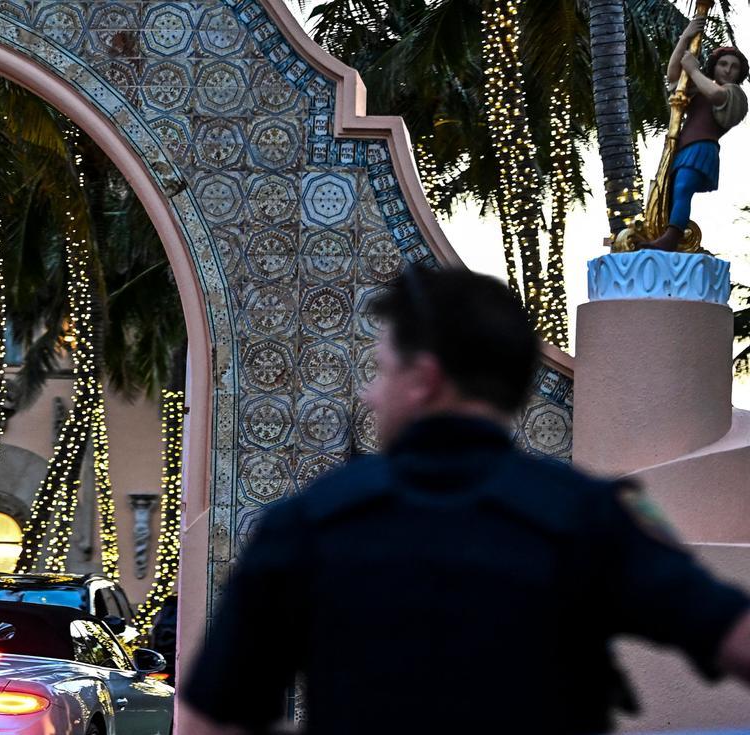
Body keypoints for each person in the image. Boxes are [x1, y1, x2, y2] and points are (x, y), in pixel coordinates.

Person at [182, 267, 750, 734]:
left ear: (424, 380)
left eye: (382, 370)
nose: (368, 393)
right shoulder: (589, 516)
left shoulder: (306, 524)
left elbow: (212, 719)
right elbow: (734, 635)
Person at [642, 17, 747, 251]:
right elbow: (673, 75)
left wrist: (693, 69)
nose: (728, 70)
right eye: (723, 64)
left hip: (702, 148)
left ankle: (673, 234)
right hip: (681, 148)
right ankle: (664, 231)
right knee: (669, 193)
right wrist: (686, 37)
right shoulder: (700, 88)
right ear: (715, 66)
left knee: (683, 188)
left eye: (734, 67)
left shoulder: (734, 94)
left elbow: (716, 95)